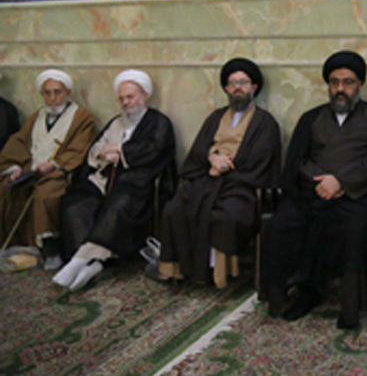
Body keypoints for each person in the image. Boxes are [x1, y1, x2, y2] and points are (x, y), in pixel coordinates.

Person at [262, 50, 367, 329]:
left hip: (355, 196)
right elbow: (298, 160)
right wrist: (321, 182)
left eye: (347, 82)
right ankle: (298, 293)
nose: (340, 89)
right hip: (312, 194)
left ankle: (351, 306)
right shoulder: (311, 118)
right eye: (335, 82)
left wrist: (341, 183)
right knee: (281, 225)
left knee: (354, 230)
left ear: (359, 84)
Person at [156, 58, 281, 287]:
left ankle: (217, 272)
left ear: (254, 87)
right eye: (233, 83)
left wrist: (227, 166)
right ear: (226, 88)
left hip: (240, 186)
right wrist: (212, 158)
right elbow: (198, 149)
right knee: (174, 209)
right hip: (207, 179)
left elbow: (262, 159)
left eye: (243, 82)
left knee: (225, 216)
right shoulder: (215, 117)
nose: (238, 88)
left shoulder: (265, 123)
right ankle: (178, 270)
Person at [52, 69, 175, 291]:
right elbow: (96, 148)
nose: (126, 103)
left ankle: (80, 260)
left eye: (130, 97)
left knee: (119, 204)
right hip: (103, 179)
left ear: (144, 95)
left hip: (137, 182)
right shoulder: (116, 122)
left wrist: (121, 151)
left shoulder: (158, 122)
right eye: (122, 98)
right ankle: (93, 263)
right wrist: (105, 152)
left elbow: (155, 150)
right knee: (75, 204)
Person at [0, 70, 96, 270]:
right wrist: (15, 167)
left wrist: (53, 165)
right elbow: (19, 142)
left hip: (60, 172)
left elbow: (79, 148)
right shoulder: (38, 115)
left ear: (67, 92)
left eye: (57, 92)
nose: (53, 98)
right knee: (7, 187)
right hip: (31, 169)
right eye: (48, 93)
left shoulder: (81, 116)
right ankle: (20, 245)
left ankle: (50, 250)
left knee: (46, 193)